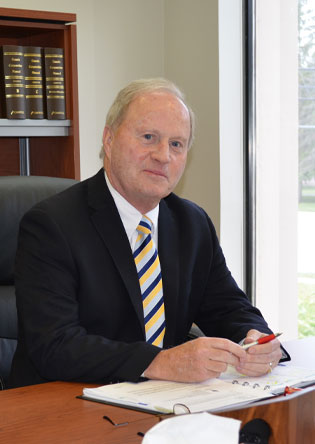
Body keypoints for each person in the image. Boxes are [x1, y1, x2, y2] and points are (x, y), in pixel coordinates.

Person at [10, 78, 282, 388]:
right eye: (149, 137)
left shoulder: (191, 223)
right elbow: (54, 345)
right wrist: (160, 361)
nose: (163, 155)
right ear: (109, 140)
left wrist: (256, 338)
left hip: (164, 401)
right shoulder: (51, 224)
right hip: (63, 404)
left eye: (176, 144)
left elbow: (229, 307)